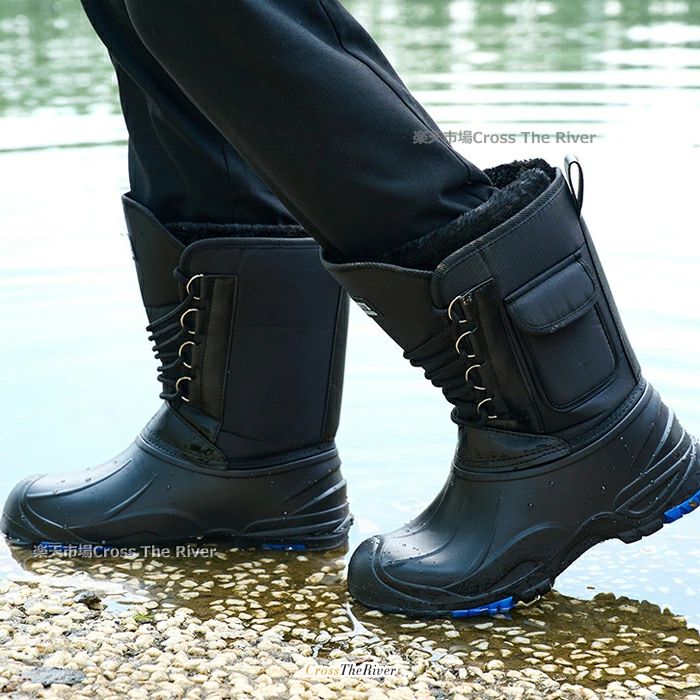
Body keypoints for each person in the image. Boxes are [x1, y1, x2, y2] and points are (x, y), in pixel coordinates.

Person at [3, 0, 698, 618]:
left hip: (571, 430)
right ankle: (242, 451)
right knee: (142, 10)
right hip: (234, 456)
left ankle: (574, 425)